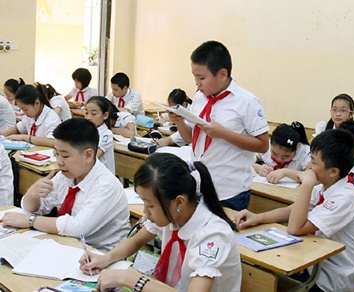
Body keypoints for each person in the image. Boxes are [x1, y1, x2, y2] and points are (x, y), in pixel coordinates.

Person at [79, 153, 242, 292]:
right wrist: (104, 259)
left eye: (150, 205)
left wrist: (132, 279)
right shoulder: (172, 214)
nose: (145, 212)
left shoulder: (212, 235)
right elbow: (135, 241)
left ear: (179, 202)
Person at [235, 129, 354, 292]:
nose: (308, 166)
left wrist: (306, 184)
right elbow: (292, 210)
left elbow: (295, 228)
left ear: (333, 171)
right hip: (315, 263)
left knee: (265, 275)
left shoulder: (345, 198)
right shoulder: (324, 186)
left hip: (334, 280)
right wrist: (257, 218)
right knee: (259, 270)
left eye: (314, 163)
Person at [1, 118, 130, 252]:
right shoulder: (66, 175)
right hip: (67, 245)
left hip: (100, 255)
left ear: (88, 155)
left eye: (65, 156)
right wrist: (33, 194)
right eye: (56, 154)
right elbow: (35, 208)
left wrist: (30, 221)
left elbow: (77, 227)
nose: (59, 162)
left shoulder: (106, 185)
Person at [172, 40, 269, 211]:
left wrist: (223, 133)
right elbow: (191, 138)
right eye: (194, 76)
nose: (197, 83)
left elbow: (262, 145)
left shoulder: (246, 102)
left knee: (223, 236)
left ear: (222, 74)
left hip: (229, 191)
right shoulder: (200, 98)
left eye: (202, 77)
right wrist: (179, 121)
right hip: (198, 184)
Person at [84, 96, 115, 175]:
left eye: (94, 114)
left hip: (102, 178)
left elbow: (93, 158)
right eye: (86, 112)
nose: (88, 117)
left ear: (105, 115)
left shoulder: (107, 134)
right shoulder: (85, 130)